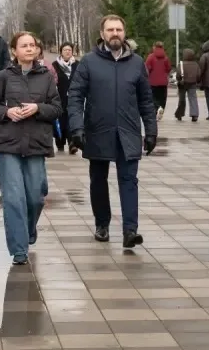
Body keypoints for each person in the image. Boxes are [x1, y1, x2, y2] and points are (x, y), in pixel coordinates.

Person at [67, 16, 157, 249]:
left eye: (118, 29)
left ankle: (130, 230)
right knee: (98, 180)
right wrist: (76, 128)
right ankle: (102, 224)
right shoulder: (89, 62)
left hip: (128, 131)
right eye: (110, 30)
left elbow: (146, 100)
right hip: (97, 131)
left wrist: (151, 131)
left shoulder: (136, 63)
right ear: (102, 33)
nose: (115, 33)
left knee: (129, 180)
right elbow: (75, 97)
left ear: (125, 33)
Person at [0, 31, 61, 265]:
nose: (29, 49)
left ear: (38, 50)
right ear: (14, 51)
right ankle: (19, 249)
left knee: (36, 197)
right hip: (8, 142)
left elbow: (57, 108)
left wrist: (38, 108)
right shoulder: (4, 76)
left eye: (33, 45)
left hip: (37, 143)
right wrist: (7, 112)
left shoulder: (47, 77)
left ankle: (29, 230)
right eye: (24, 45)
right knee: (13, 198)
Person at [50, 43, 76, 152]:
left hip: (73, 97)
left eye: (69, 50)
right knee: (60, 118)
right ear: (61, 52)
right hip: (59, 96)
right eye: (65, 50)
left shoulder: (77, 65)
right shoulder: (55, 65)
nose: (67, 52)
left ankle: (72, 142)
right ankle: (60, 141)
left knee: (72, 118)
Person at [145, 42, 172, 120]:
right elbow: (169, 68)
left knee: (153, 97)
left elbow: (147, 68)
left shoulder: (151, 57)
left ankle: (157, 108)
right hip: (163, 82)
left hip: (152, 81)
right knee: (162, 98)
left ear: (154, 47)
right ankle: (161, 108)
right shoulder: (166, 58)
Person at [174, 48, 201, 122]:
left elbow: (178, 74)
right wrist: (197, 81)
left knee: (182, 99)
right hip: (192, 83)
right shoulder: (196, 64)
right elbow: (199, 75)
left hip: (182, 84)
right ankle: (194, 114)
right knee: (193, 98)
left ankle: (180, 114)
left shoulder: (181, 64)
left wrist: (179, 80)